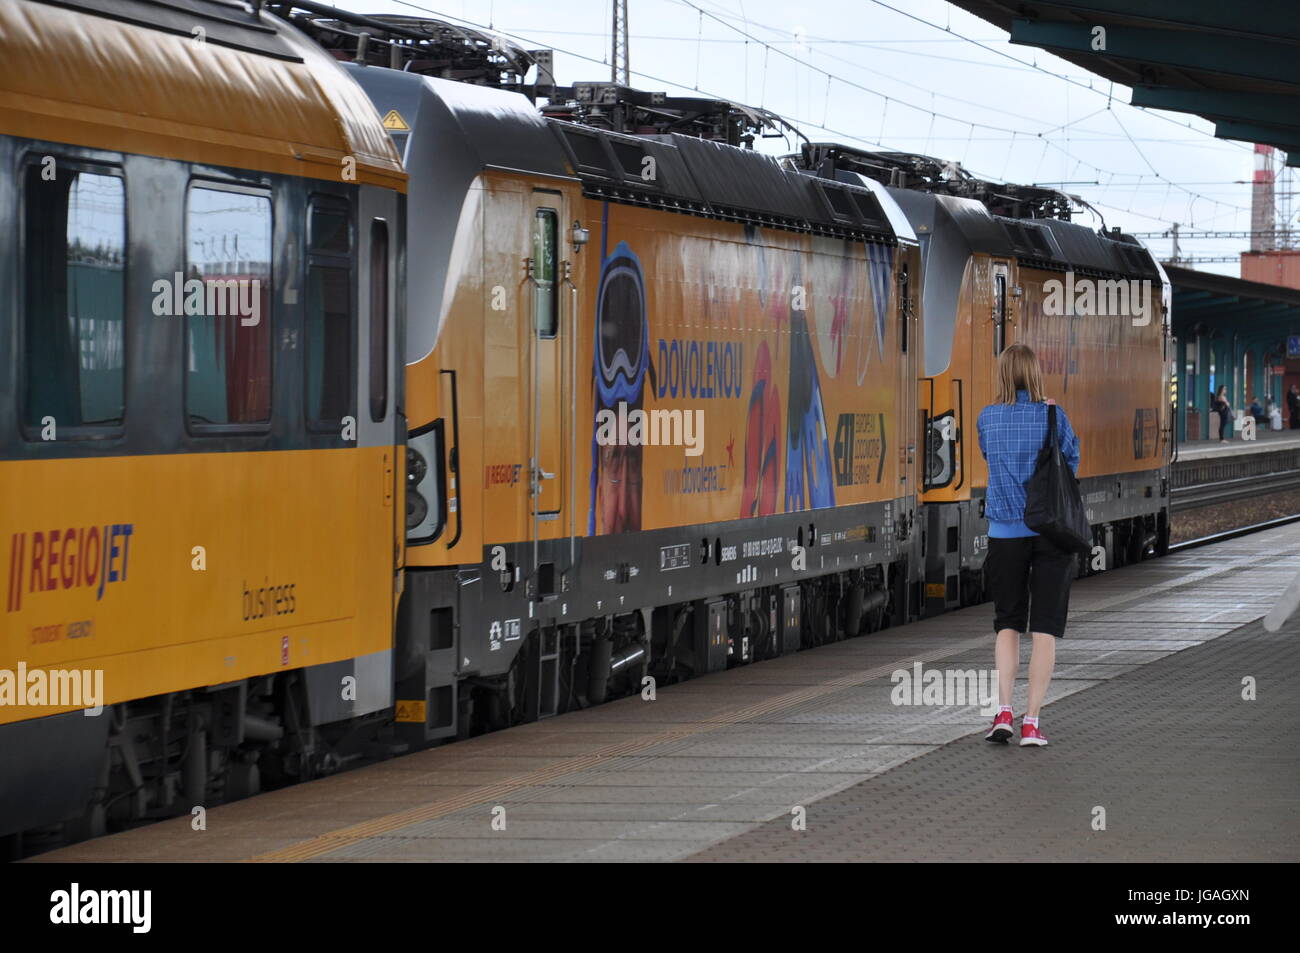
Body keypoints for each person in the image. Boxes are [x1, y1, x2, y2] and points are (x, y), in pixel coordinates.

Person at [977, 344, 1080, 748]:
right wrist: (1049, 419)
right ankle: (1032, 723)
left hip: (1005, 534)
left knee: (1007, 623)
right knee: (1044, 629)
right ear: (1036, 374)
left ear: (1003, 375)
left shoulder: (988, 417)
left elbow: (989, 455)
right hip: (1050, 532)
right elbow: (1071, 461)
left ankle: (1003, 712)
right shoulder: (1053, 417)